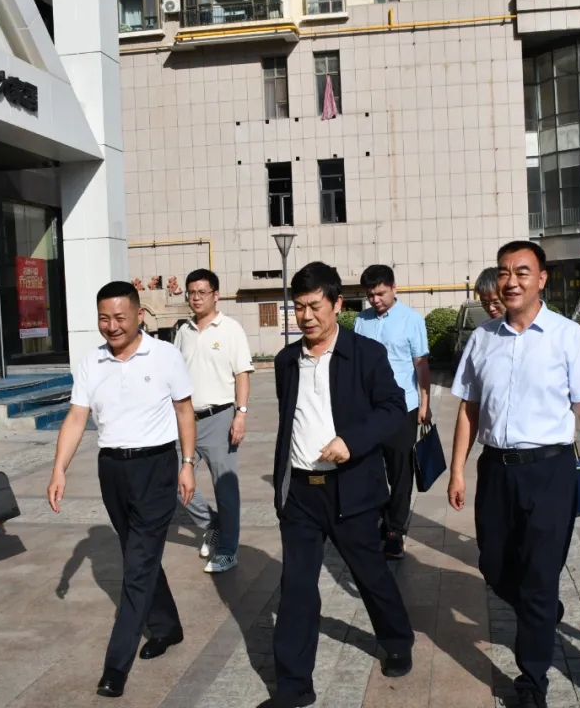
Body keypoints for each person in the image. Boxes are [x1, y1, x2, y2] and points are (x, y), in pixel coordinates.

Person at [448, 241, 580, 708]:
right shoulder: (483, 339)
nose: (511, 280)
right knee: (494, 566)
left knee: (540, 576)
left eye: (522, 272)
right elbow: (468, 409)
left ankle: (532, 680)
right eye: (504, 272)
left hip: (549, 472)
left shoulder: (567, 337)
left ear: (541, 279)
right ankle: (541, 608)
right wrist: (457, 470)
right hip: (496, 471)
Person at [265, 262, 415, 708]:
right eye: (298, 307)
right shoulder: (286, 361)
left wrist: (352, 440)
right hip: (300, 494)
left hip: (350, 490)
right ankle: (294, 687)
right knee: (296, 587)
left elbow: (393, 408)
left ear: (337, 304)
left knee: (371, 574)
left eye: (315, 306)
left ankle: (397, 640)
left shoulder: (365, 354)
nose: (306, 316)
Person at [46, 281, 197, 699]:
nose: (111, 326)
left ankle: (116, 666)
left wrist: (187, 464)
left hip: (156, 467)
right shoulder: (91, 361)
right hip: (112, 469)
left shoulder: (165, 355)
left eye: (119, 318)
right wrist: (59, 469)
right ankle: (167, 626)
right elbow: (77, 418)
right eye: (103, 319)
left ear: (138, 316)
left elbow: (184, 411)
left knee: (137, 566)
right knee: (139, 554)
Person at [174, 269, 254, 574]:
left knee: (225, 488)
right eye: (191, 293)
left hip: (219, 418)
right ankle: (213, 524)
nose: (196, 298)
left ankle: (228, 551)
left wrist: (241, 413)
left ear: (216, 295)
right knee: (174, 480)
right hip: (185, 421)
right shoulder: (183, 331)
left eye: (202, 292)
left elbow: (241, 374)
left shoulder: (231, 329)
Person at [353, 264, 431, 559]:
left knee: (400, 473)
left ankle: (394, 531)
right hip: (369, 410)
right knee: (370, 470)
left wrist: (425, 404)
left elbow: (421, 364)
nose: (375, 300)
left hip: (403, 408)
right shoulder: (361, 321)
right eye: (370, 295)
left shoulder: (411, 319)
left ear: (393, 288)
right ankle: (377, 519)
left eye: (381, 293)